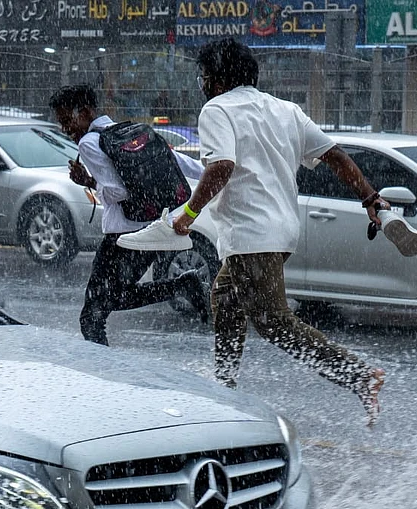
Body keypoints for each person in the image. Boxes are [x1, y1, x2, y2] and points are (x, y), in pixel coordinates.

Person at [117, 38, 397, 426]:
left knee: (273, 321)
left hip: (253, 235)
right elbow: (334, 154)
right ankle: (224, 382)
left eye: (202, 76)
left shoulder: (217, 109)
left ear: (215, 77)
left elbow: (221, 167)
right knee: (226, 298)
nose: (201, 83)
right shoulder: (285, 110)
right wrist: (369, 197)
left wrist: (188, 214)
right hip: (281, 230)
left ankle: (359, 377)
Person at [50, 84, 209, 346]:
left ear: (86, 111)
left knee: (92, 315)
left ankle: (100, 375)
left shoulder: (90, 142)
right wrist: (218, 176)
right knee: (112, 299)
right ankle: (181, 286)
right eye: (61, 124)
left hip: (123, 236)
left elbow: (117, 191)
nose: (66, 129)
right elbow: (176, 161)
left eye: (68, 120)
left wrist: (88, 182)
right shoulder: (130, 130)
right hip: (151, 229)